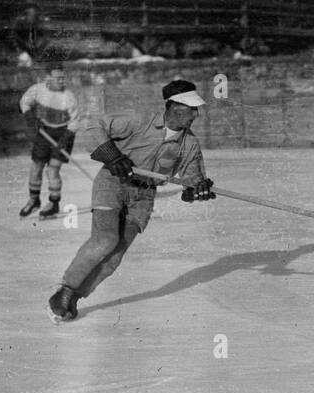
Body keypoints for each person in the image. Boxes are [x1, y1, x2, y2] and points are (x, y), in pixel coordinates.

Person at [47, 80, 216, 322]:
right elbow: (96, 126)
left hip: (143, 198)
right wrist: (112, 156)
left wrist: (197, 188)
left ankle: (74, 297)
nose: (196, 115)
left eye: (196, 109)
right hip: (113, 183)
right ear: (175, 107)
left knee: (114, 257)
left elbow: (193, 177)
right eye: (191, 109)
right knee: (106, 239)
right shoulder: (139, 120)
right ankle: (64, 290)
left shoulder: (189, 144)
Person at [18, 63, 81, 220]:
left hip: (63, 134)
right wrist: (30, 116)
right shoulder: (38, 90)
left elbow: (74, 121)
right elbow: (25, 102)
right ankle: (34, 201)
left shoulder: (69, 97)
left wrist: (65, 138)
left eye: (62, 78)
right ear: (48, 78)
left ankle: (54, 204)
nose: (61, 81)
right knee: (36, 167)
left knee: (52, 170)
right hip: (44, 132)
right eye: (57, 78)